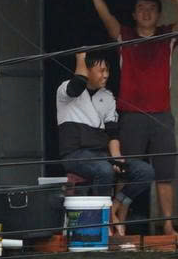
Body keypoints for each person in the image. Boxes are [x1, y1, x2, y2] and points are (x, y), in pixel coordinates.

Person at [73, 0, 178, 234]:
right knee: (127, 171)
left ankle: (168, 225)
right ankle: (121, 223)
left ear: (159, 15)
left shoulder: (167, 36)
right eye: (141, 9)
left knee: (165, 174)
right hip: (131, 116)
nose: (146, 13)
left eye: (151, 9)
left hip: (162, 115)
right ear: (134, 15)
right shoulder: (124, 36)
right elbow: (107, 19)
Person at [55, 48, 151, 223]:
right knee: (104, 170)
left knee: (144, 171)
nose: (105, 75)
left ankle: (115, 206)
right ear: (87, 70)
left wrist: (117, 158)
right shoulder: (66, 90)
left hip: (102, 155)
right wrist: (81, 57)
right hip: (75, 154)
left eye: (107, 70)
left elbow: (113, 132)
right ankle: (103, 220)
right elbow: (78, 84)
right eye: (101, 70)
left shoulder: (107, 96)